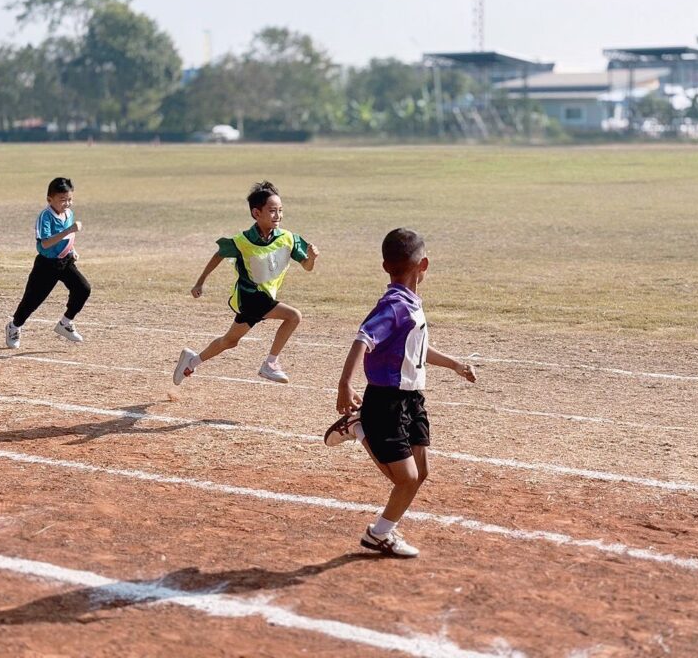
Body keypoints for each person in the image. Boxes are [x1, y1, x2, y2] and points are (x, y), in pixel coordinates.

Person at [323, 228, 476, 557]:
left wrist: (455, 365)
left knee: (420, 474)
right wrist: (345, 384)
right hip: (387, 400)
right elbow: (363, 339)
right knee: (405, 479)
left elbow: (416, 348)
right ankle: (358, 428)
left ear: (385, 266)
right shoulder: (395, 306)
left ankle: (379, 534)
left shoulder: (410, 304)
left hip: (413, 399)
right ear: (424, 265)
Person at [173, 181, 318, 385]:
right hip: (249, 297)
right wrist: (200, 282)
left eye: (280, 210)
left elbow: (307, 266)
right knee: (293, 316)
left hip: (264, 298)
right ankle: (270, 364)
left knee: (230, 341)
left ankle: (191, 362)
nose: (278, 215)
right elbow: (219, 254)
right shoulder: (243, 241)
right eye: (272, 211)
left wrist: (311, 258)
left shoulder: (288, 238)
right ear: (256, 213)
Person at [5, 177, 90, 348]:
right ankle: (14, 326)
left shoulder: (68, 213)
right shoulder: (45, 217)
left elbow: (68, 237)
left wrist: (72, 249)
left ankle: (65, 323)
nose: (67, 203)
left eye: (70, 199)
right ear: (49, 199)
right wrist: (70, 229)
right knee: (32, 300)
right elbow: (45, 243)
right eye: (62, 200)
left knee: (83, 289)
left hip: (65, 262)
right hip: (46, 265)